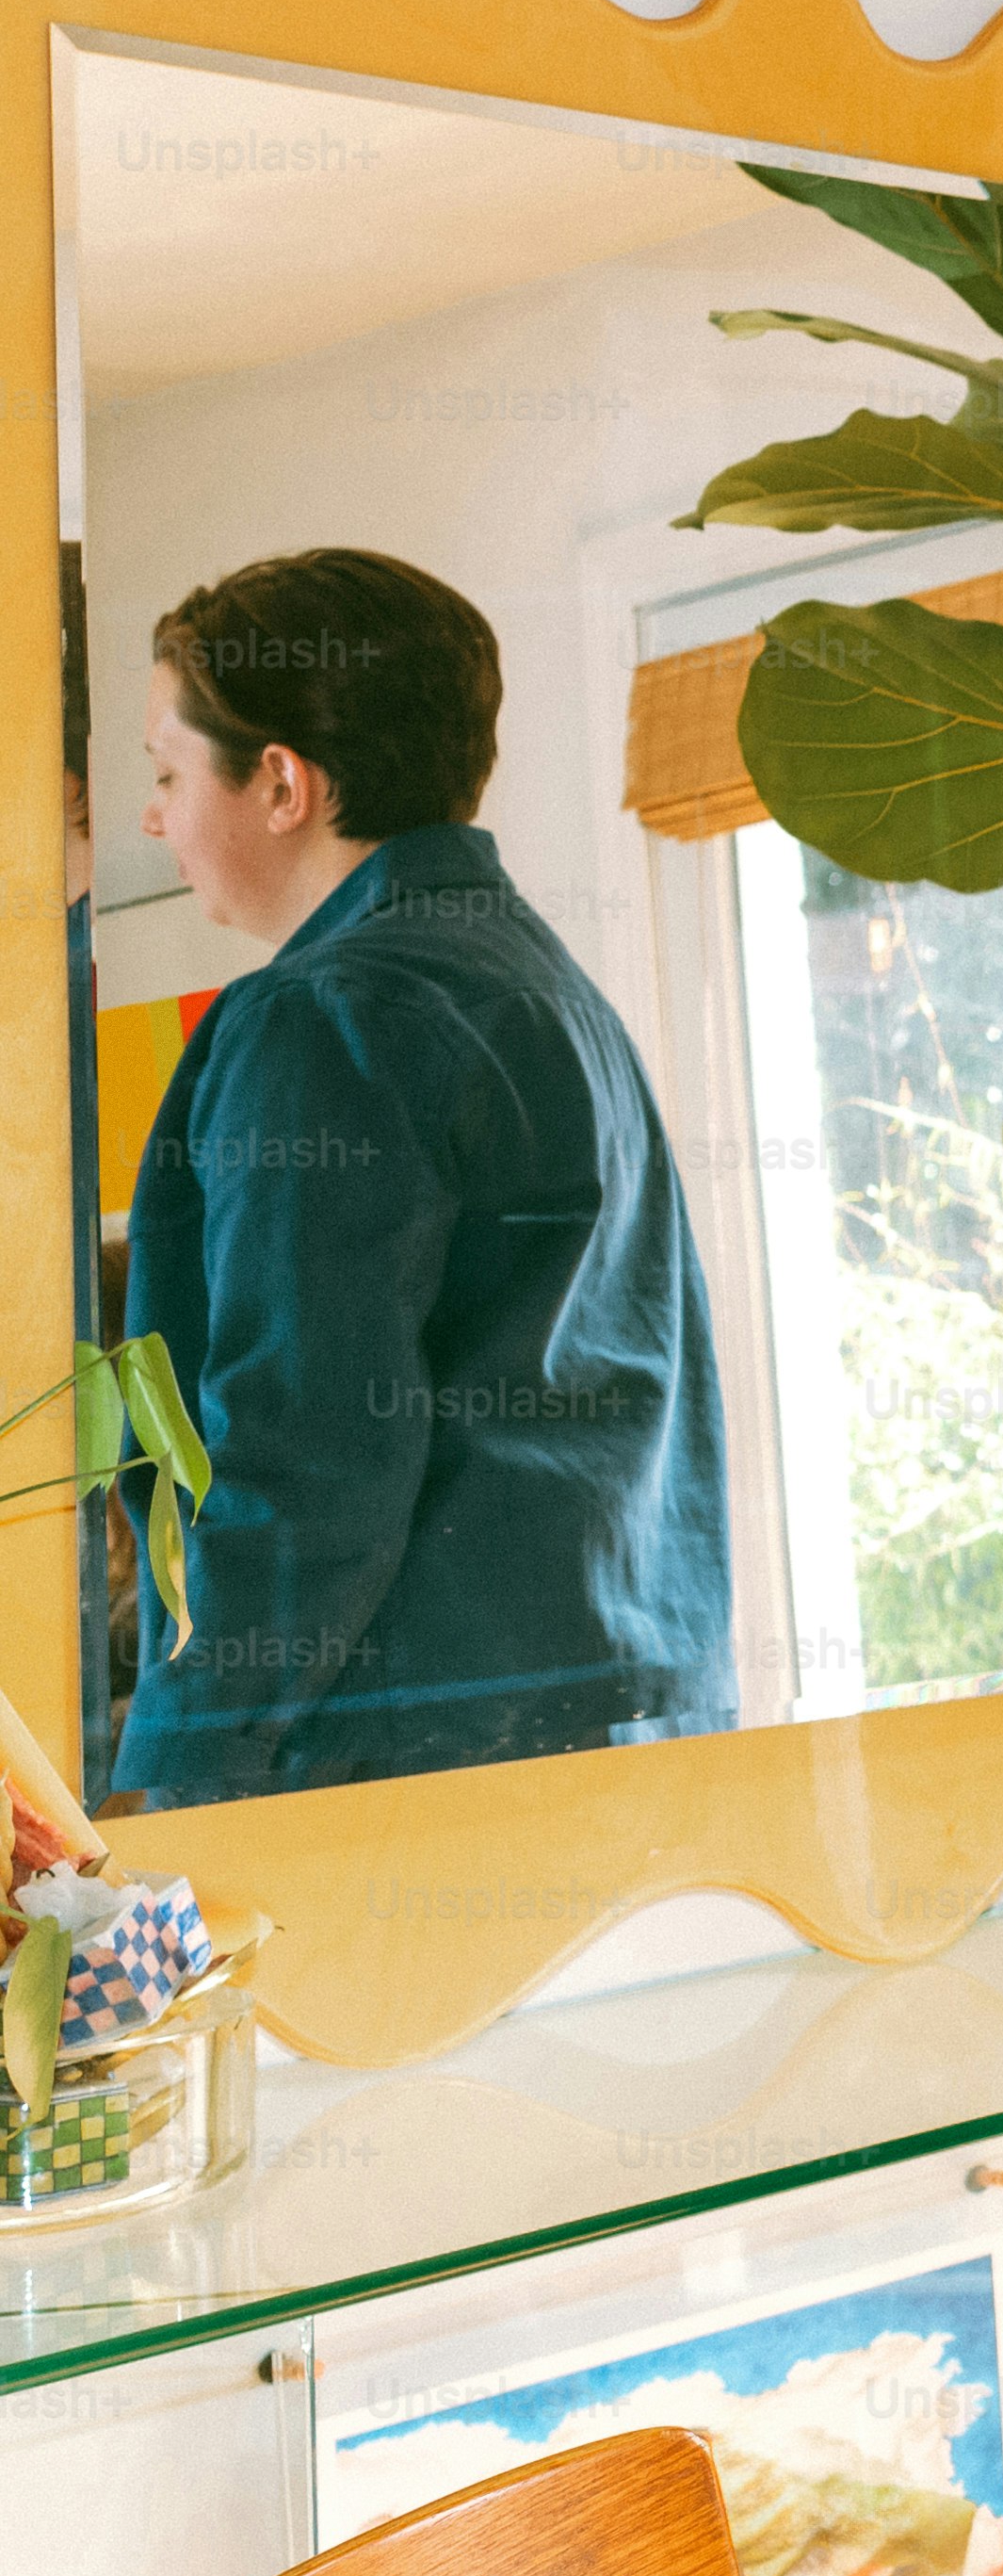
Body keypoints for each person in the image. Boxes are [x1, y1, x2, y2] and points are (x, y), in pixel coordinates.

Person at [112, 548, 734, 1801]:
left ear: (281, 781)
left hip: (406, 1776)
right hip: (635, 1742)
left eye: (166, 774)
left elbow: (297, 1460)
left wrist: (157, 1791)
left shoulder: (317, 1018)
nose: (152, 818)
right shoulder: (557, 995)